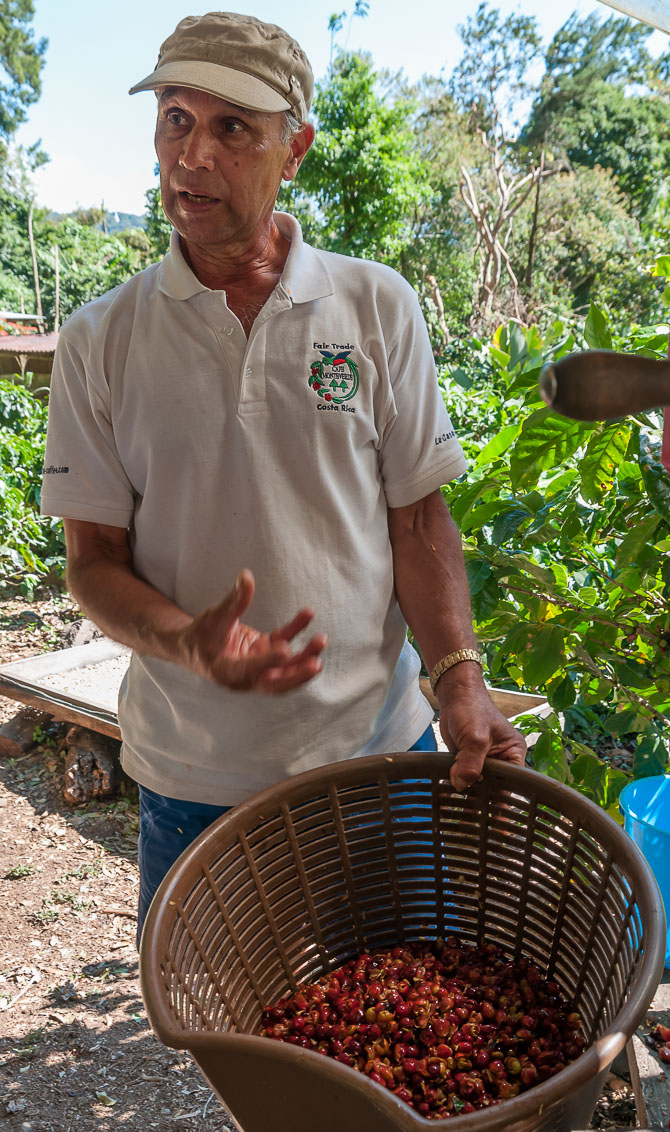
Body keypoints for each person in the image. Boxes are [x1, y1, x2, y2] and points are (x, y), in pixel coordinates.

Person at [40, 11, 526, 939]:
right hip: (194, 778)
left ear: (294, 149)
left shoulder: (375, 305)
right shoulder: (103, 338)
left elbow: (418, 522)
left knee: (402, 1001)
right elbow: (93, 560)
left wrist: (460, 681)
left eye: (233, 127)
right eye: (177, 119)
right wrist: (190, 642)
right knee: (224, 1016)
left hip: (377, 757)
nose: (194, 155)